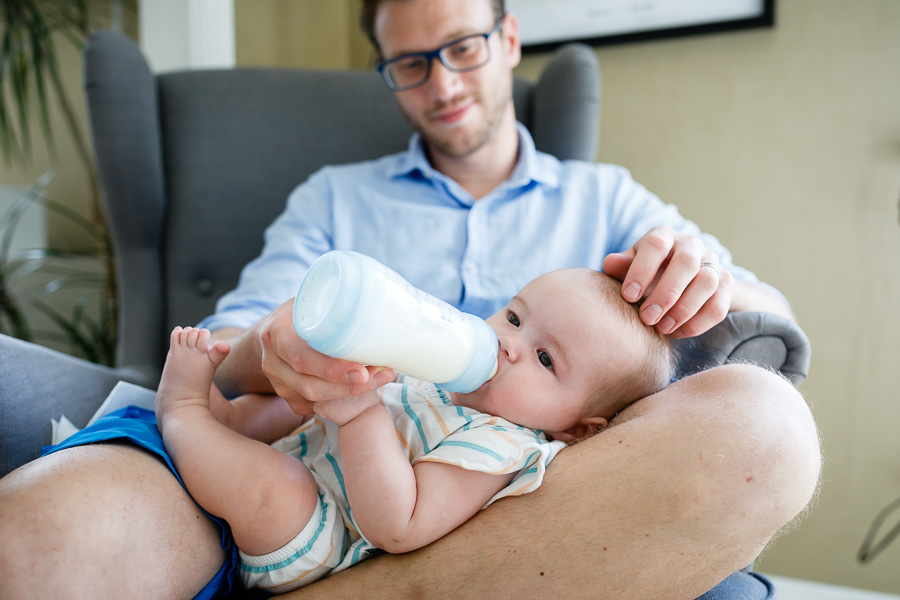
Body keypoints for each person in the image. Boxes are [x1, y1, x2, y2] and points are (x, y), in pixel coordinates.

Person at [0, 0, 821, 598]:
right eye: (410, 63)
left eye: (462, 47)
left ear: (506, 39)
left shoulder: (606, 200)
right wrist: (276, 353)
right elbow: (234, 351)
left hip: (536, 515)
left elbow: (763, 331)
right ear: (388, 74)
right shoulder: (334, 199)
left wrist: (702, 280)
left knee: (767, 425)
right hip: (298, 479)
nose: (441, 82)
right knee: (35, 544)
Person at [155, 268, 675, 594]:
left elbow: (399, 524)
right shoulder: (445, 376)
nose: (507, 345)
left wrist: (361, 414)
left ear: (578, 430)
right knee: (311, 397)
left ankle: (184, 414)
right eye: (514, 317)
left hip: (319, 542)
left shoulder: (501, 447)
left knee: (281, 488)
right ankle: (231, 423)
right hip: (307, 456)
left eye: (544, 358)